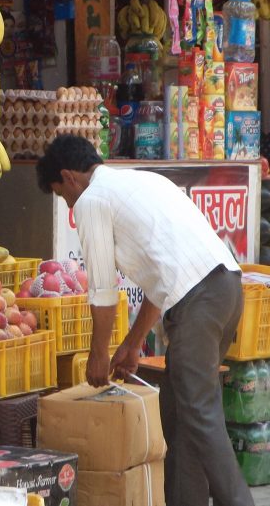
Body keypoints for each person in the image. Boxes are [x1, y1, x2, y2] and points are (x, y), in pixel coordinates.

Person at [36, 134, 250, 506]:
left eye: (62, 194)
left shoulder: (91, 200)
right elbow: (159, 283)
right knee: (181, 416)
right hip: (226, 289)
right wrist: (132, 344)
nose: (68, 204)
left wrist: (99, 355)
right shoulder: (143, 181)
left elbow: (103, 292)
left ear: (69, 177)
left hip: (199, 302)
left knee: (200, 414)